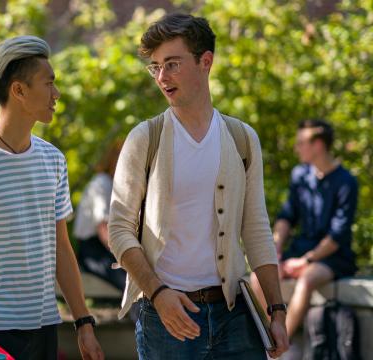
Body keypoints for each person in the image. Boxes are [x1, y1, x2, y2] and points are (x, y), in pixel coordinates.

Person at [108, 13, 289, 360]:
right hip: (165, 317)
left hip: (235, 316)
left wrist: (277, 311)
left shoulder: (241, 139)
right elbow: (119, 230)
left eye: (172, 64)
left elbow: (256, 230)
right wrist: (158, 293)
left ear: (205, 62)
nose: (162, 76)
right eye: (156, 67)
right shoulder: (145, 138)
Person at [0, 35, 104, 360]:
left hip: (44, 325)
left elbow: (61, 249)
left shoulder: (54, 160)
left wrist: (84, 323)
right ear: (19, 90)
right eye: (49, 83)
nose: (57, 94)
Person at [251, 119, 358, 339]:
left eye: (301, 142)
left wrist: (306, 261)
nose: (296, 147)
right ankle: (268, 334)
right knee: (258, 276)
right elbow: (287, 217)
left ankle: (280, 345)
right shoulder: (300, 175)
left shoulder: (347, 182)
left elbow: (337, 235)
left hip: (332, 256)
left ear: (318, 145)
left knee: (306, 280)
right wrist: (275, 248)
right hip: (301, 249)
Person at [73, 140, 126, 291]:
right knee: (131, 280)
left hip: (107, 248)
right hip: (93, 252)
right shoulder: (101, 184)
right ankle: (138, 314)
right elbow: (104, 229)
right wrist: (126, 257)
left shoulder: (116, 186)